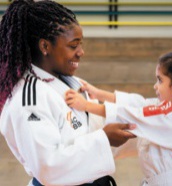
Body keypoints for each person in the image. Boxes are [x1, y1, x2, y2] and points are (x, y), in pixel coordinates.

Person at [0, 0, 136, 185]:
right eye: (73, 46)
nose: (81, 52)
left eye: (80, 44)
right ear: (45, 46)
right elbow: (48, 167)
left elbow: (95, 127)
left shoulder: (73, 82)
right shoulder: (29, 99)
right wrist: (104, 138)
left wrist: (146, 130)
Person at [65, 50, 172, 186]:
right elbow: (139, 104)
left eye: (160, 80)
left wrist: (85, 105)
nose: (155, 86)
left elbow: (136, 114)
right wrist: (98, 94)